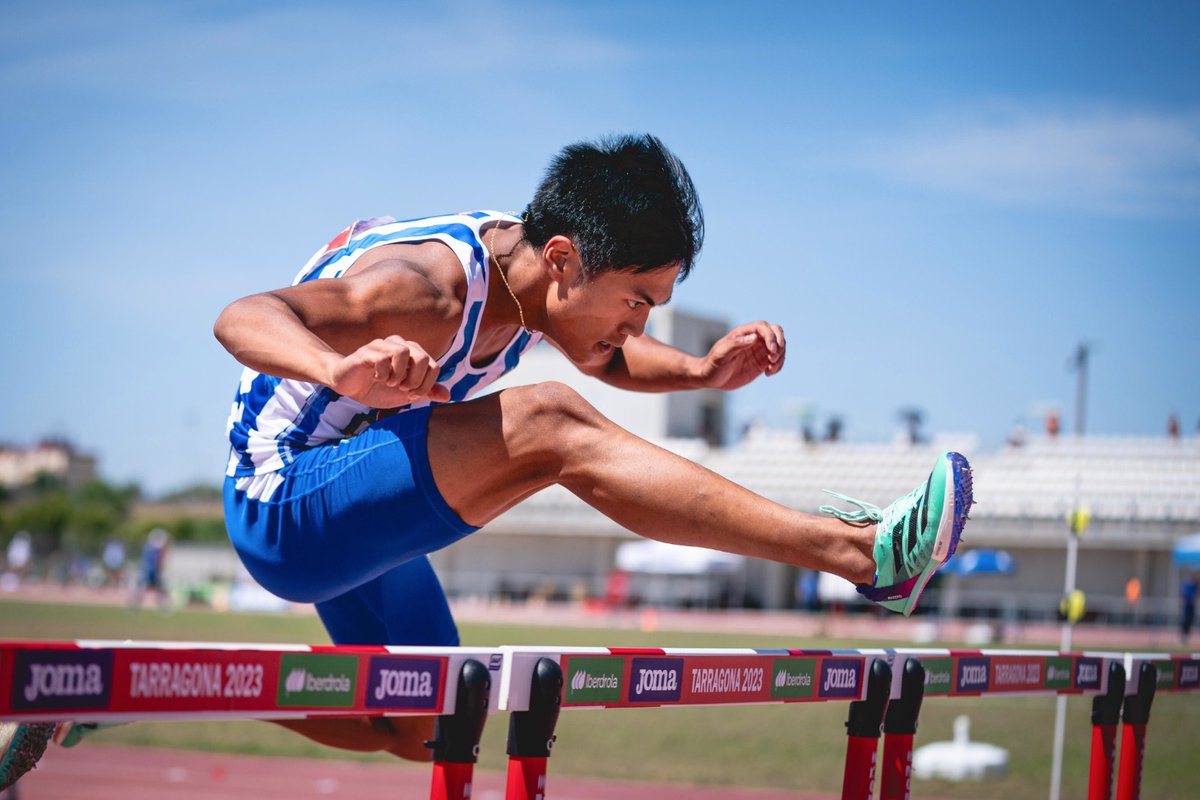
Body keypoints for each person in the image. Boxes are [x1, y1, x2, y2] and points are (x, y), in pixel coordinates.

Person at [1, 134, 973, 786]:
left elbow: (603, 351)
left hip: (355, 497)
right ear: (565, 259)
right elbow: (241, 315)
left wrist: (701, 373)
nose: (639, 324)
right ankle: (861, 554)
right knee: (548, 421)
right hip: (284, 500)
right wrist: (338, 367)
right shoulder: (424, 289)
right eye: (638, 299)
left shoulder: (537, 278)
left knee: (426, 720)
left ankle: (126, 692)